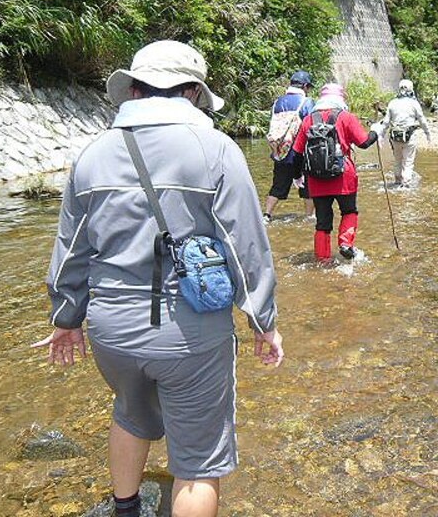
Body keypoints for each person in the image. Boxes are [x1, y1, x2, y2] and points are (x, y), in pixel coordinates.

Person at [32, 40, 284, 517]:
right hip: (189, 336)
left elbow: (70, 253)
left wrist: (66, 319)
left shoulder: (93, 154)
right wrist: (263, 323)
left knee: (130, 414)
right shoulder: (216, 150)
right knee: (197, 462)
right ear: (192, 92)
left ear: (133, 88)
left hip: (112, 331)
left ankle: (125, 509)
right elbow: (245, 246)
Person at [291, 83, 382, 262]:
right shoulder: (346, 117)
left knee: (322, 223)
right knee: (349, 211)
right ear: (340, 99)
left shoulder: (308, 120)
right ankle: (346, 244)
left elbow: (297, 153)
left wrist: (297, 176)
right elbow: (364, 142)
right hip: (343, 176)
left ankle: (322, 260)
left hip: (316, 179)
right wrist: (376, 132)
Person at [263, 70, 315, 223]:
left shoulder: (277, 102)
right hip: (301, 152)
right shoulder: (306, 102)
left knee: (277, 185)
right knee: (307, 187)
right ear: (305, 86)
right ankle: (309, 217)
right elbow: (311, 125)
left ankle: (266, 215)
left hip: (281, 151)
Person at [377, 79, 432, 187]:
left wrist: (381, 136)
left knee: (397, 160)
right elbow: (422, 120)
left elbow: (386, 122)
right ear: (411, 89)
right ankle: (406, 187)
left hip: (395, 137)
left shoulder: (392, 103)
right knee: (408, 162)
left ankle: (397, 182)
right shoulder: (414, 103)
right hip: (410, 137)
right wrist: (427, 133)